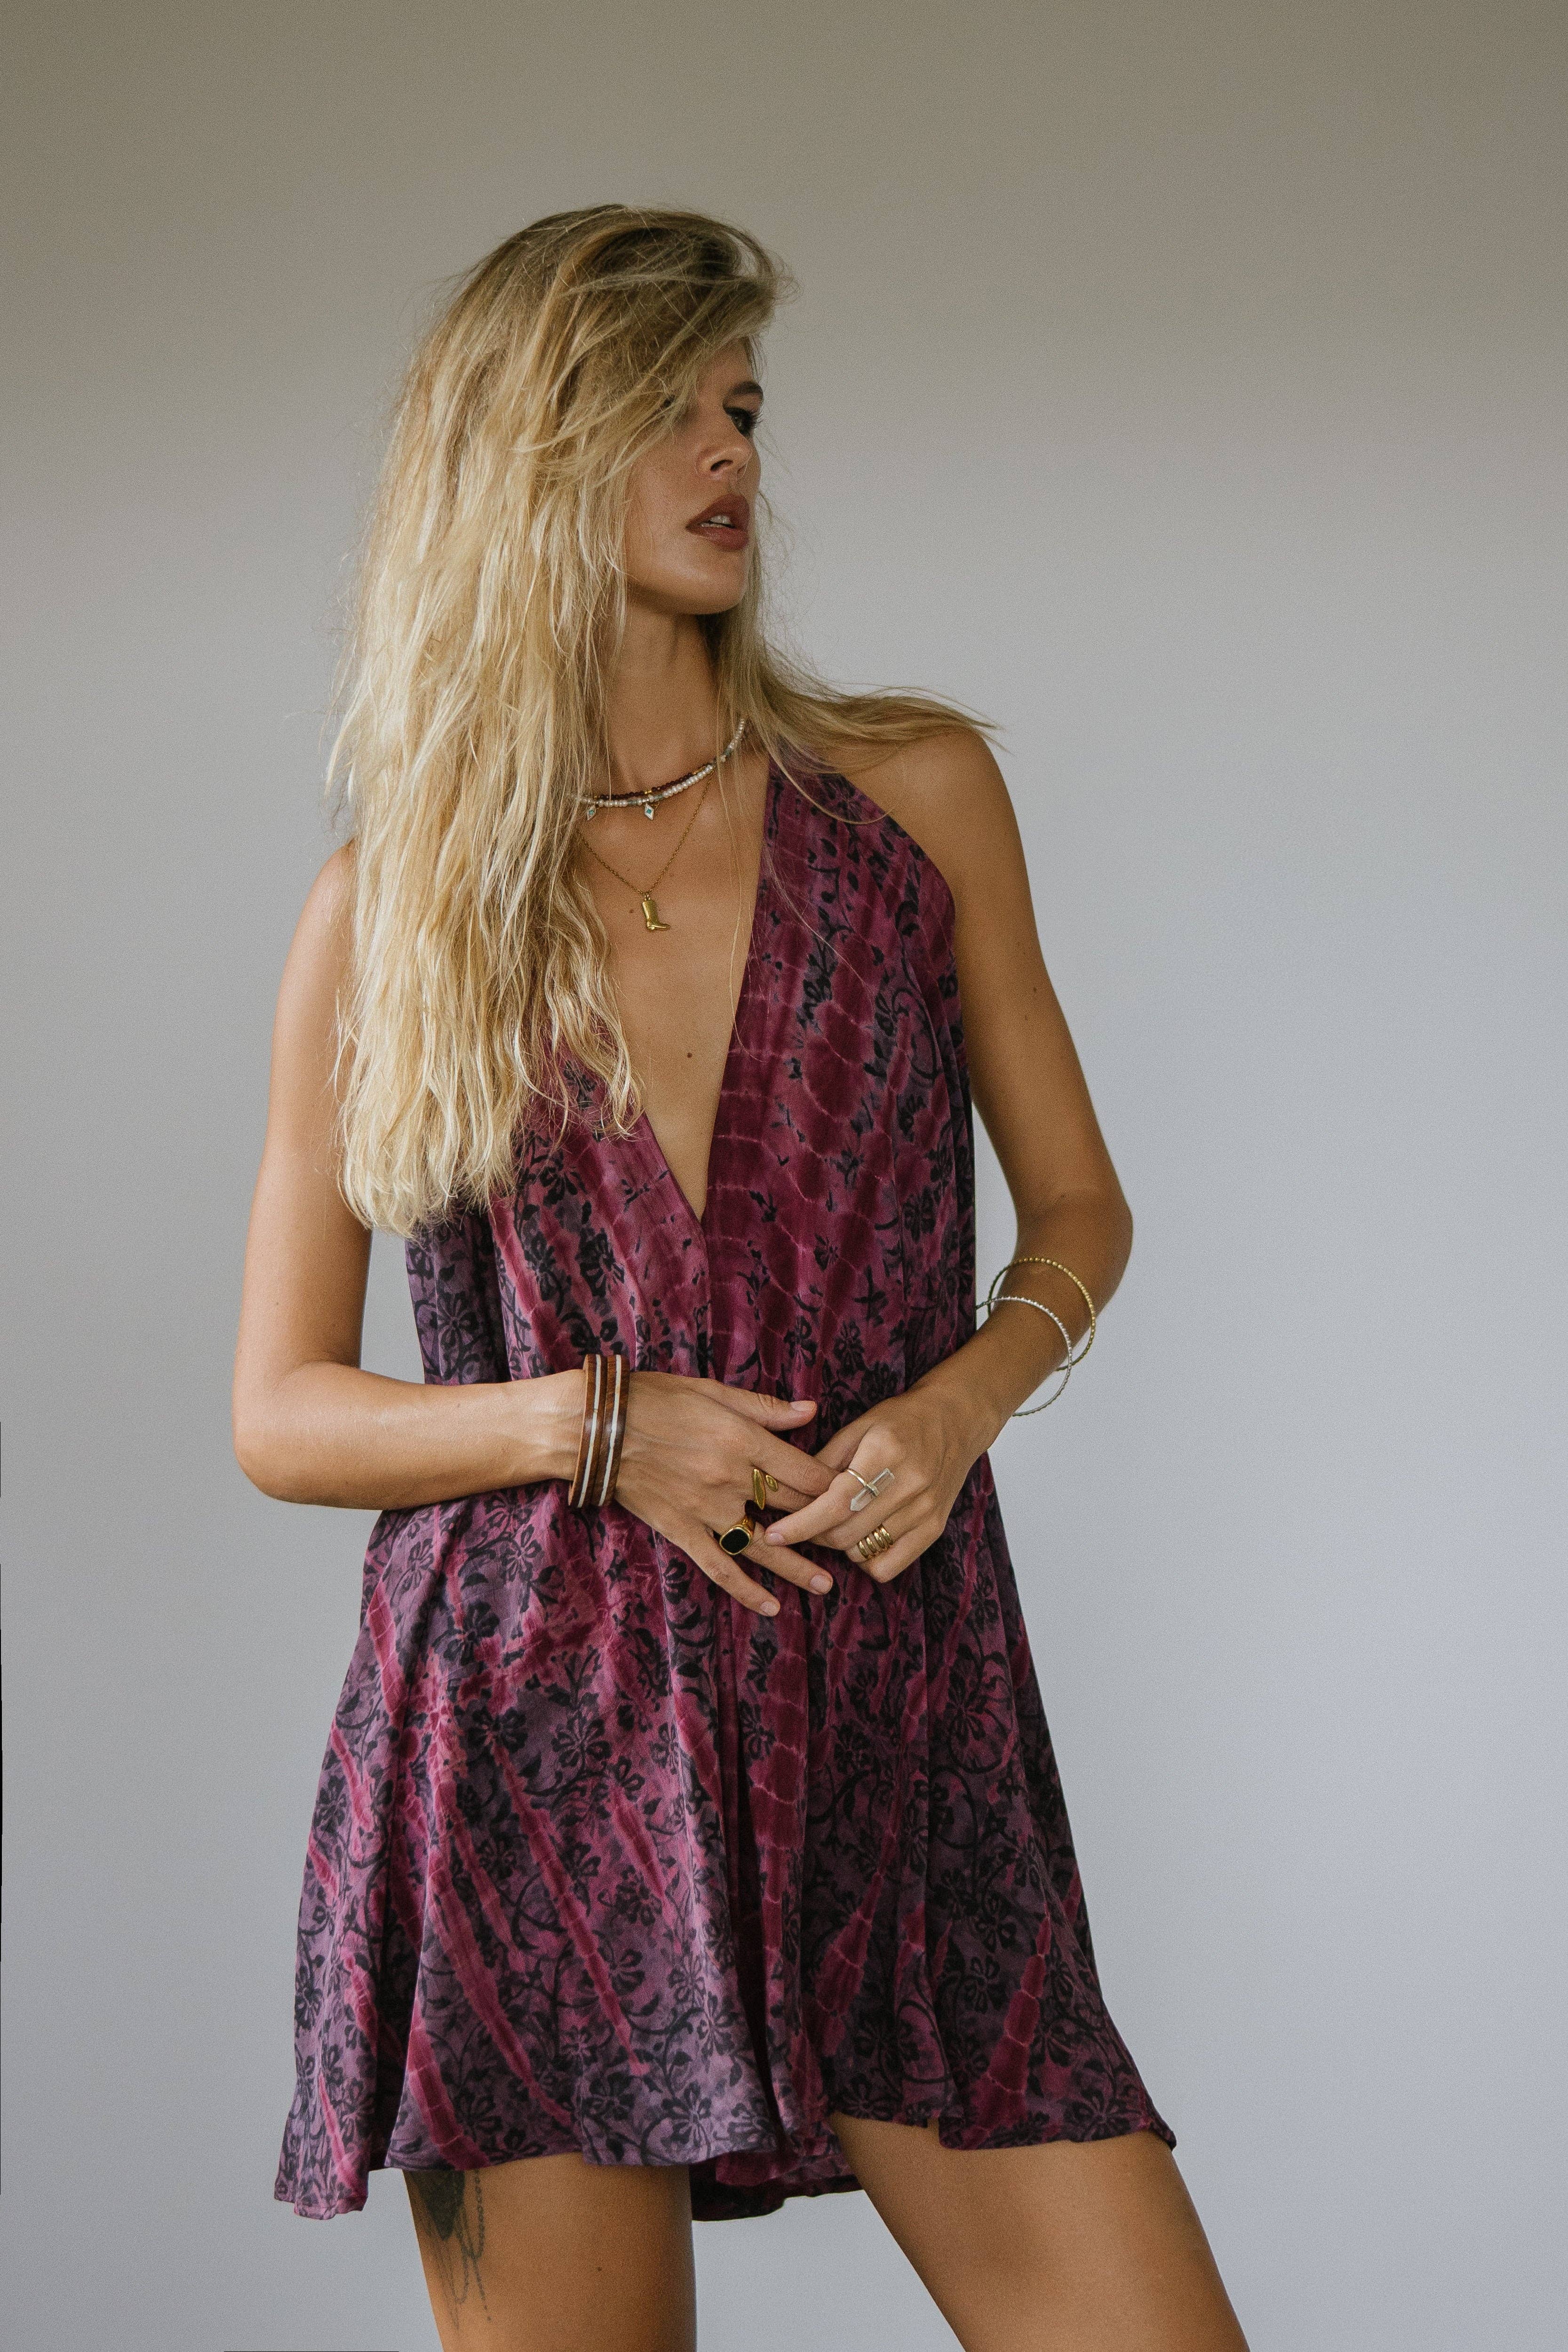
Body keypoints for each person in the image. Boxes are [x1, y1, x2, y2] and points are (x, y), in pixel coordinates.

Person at [234, 206, 1248, 2352]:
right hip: (532, 1748)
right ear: (526, 458)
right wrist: (591, 1424)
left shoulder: (912, 800)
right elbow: (282, 1410)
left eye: (745, 407)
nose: (730, 456)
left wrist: (959, 1407)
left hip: (894, 1697)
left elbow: (1080, 1207)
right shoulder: (396, 909)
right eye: (665, 410)